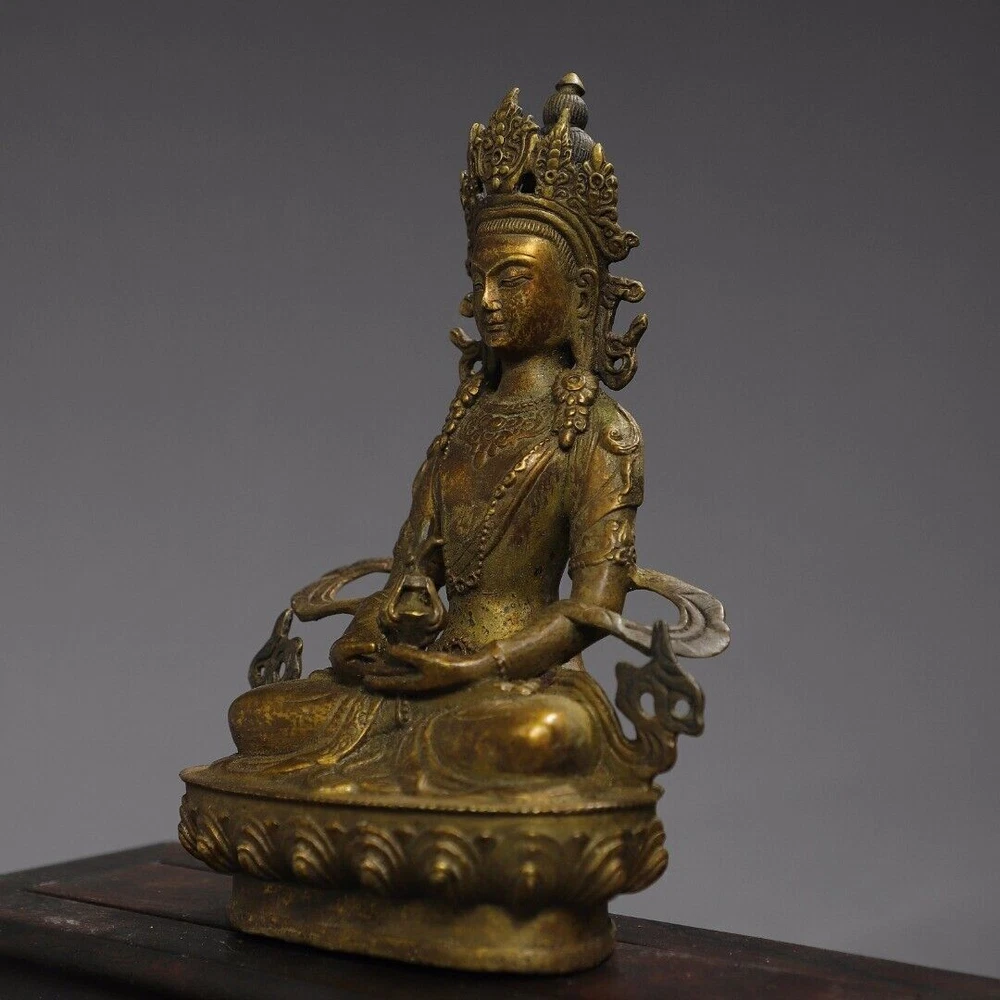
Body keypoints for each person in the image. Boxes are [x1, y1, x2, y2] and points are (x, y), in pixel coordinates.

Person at [223, 77, 723, 801]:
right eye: (478, 280)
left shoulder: (602, 433)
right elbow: (411, 574)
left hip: (522, 684)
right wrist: (369, 635)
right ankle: (398, 781)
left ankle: (414, 787)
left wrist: (478, 669)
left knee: (539, 737)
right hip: (424, 673)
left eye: (512, 280)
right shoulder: (462, 422)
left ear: (579, 291)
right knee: (258, 718)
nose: (486, 301)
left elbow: (591, 607)